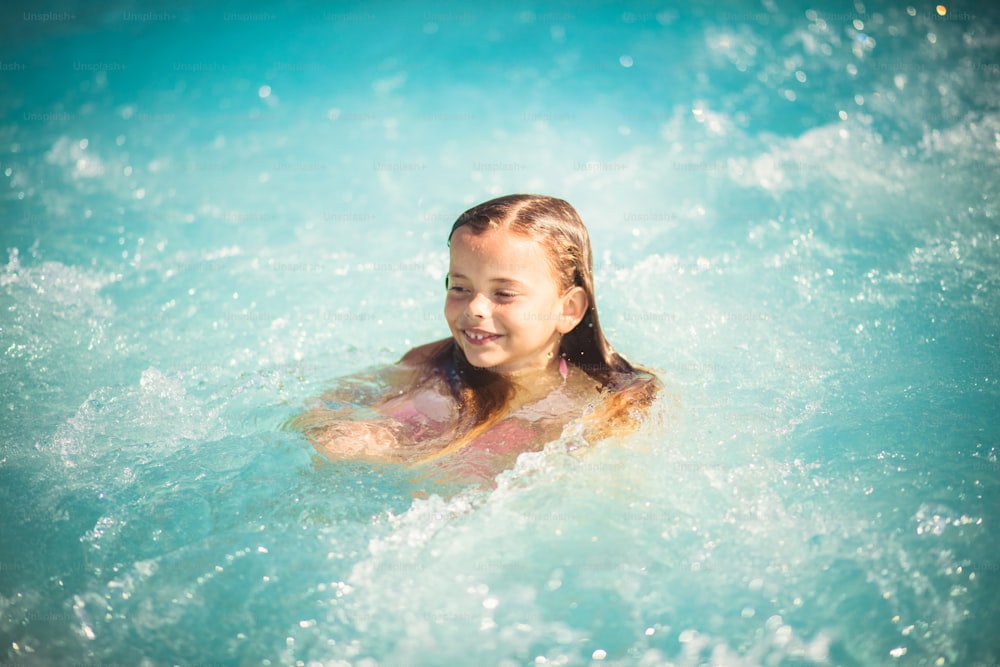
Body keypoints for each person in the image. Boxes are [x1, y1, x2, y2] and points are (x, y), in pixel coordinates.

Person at [286, 194, 661, 484]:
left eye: (504, 294)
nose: (475, 308)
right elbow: (325, 408)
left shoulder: (599, 408)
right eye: (460, 287)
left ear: (568, 309)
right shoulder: (429, 362)